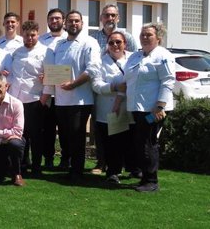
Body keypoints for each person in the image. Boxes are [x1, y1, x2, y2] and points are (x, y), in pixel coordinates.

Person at [42, 10, 101, 181]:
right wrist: (47, 76)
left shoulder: (89, 42)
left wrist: (74, 84)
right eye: (70, 21)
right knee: (66, 136)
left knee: (77, 136)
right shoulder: (59, 45)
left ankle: (77, 171)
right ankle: (69, 168)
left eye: (77, 21)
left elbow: (93, 69)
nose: (73, 24)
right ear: (65, 24)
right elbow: (52, 68)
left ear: (82, 24)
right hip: (61, 100)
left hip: (80, 100)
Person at [124, 23, 175, 192]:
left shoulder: (163, 56)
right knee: (139, 142)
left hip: (154, 109)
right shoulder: (136, 56)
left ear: (158, 38)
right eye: (143, 34)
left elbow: (168, 81)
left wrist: (160, 106)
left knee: (149, 143)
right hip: (136, 107)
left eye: (149, 35)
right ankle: (144, 177)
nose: (144, 37)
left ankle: (152, 181)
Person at [90, 31, 138, 185]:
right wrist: (114, 86)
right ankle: (113, 172)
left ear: (125, 43)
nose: (115, 45)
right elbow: (96, 85)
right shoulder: (101, 61)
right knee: (111, 143)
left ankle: (134, 168)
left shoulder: (134, 58)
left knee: (131, 140)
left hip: (130, 107)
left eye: (118, 42)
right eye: (111, 42)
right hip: (108, 109)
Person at [0, 20, 46, 176]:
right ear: (23, 35)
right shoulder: (16, 52)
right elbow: (11, 73)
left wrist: (43, 100)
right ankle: (23, 164)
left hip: (36, 99)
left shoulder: (46, 52)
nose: (30, 38)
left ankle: (37, 167)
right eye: (27, 35)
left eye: (33, 35)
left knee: (37, 136)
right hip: (18, 100)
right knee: (21, 135)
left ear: (37, 34)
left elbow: (49, 79)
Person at [38, 8, 67, 169]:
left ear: (63, 20)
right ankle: (48, 158)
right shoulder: (41, 40)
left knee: (64, 129)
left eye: (57, 18)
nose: (54, 21)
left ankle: (65, 159)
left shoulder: (69, 39)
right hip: (47, 93)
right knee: (47, 129)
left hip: (65, 91)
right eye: (51, 19)